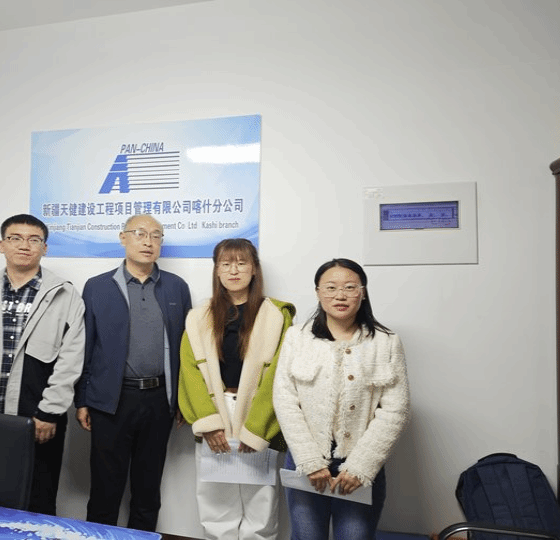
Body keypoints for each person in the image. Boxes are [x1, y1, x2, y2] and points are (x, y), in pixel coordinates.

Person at [0, 214, 85, 515]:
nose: (24, 245)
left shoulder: (65, 295)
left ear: (44, 248)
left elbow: (71, 358)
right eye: (15, 238)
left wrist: (49, 412)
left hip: (39, 419)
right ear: (2, 245)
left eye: (34, 240)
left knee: (38, 500)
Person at [273, 258, 410, 540]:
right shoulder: (297, 337)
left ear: (363, 292)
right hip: (305, 460)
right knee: (306, 536)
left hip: (360, 462)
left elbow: (395, 410)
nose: (340, 295)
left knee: (355, 536)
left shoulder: (386, 342)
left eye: (350, 287)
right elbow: (284, 399)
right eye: (331, 287)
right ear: (318, 292)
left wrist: (361, 466)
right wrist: (310, 460)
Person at [75, 213, 191, 532]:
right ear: (123, 237)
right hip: (110, 401)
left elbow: (186, 350)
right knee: (105, 488)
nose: (148, 241)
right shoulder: (97, 287)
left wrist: (183, 400)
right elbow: (86, 345)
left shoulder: (176, 288)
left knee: (147, 489)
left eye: (156, 236)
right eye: (140, 233)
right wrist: (82, 399)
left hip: (159, 400)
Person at [179, 239, 295, 540]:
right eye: (226, 264)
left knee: (261, 500)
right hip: (216, 411)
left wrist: (257, 427)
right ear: (216, 270)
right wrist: (209, 423)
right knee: (216, 499)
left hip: (260, 413)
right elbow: (189, 372)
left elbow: (280, 375)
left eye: (242, 263)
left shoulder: (276, 315)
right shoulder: (198, 317)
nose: (234, 270)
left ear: (254, 269)